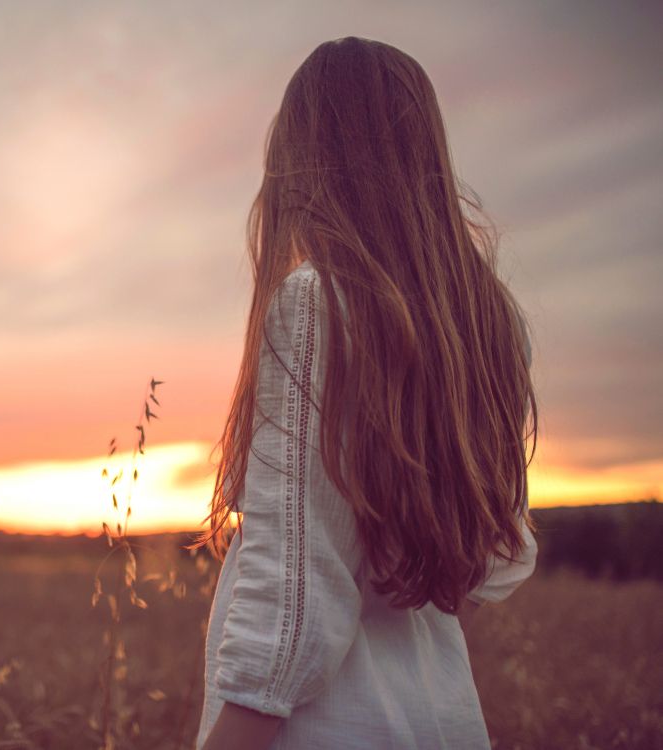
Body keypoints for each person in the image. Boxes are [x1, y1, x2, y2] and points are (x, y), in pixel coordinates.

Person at [188, 36, 539, 750]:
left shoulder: (317, 305)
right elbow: (491, 566)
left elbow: (293, 604)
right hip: (442, 715)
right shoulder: (484, 320)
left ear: (302, 157)